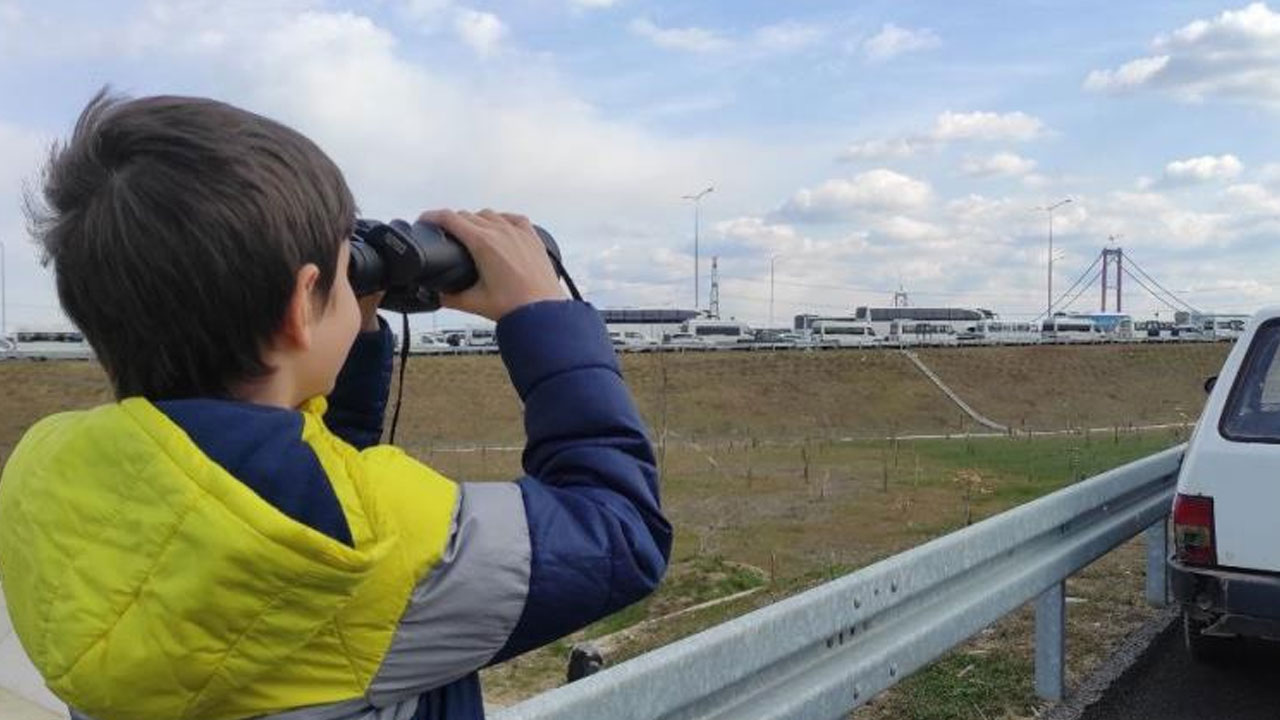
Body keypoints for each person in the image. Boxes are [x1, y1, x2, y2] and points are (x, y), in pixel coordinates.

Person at [0, 90, 671, 720]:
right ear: (302, 305)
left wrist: (351, 329)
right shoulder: (373, 536)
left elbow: (272, 486)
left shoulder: (46, 476)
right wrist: (542, 315)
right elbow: (620, 532)